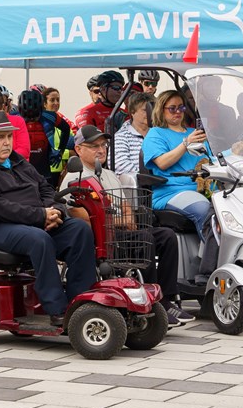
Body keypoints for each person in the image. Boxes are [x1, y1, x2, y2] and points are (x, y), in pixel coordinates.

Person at [0, 111, 96, 326]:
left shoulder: (16, 160)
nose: (7, 142)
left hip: (30, 221)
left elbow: (45, 187)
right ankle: (57, 308)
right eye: (0, 137)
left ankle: (81, 302)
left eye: (9, 136)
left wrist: (55, 210)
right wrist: (40, 216)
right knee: (38, 239)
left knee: (79, 230)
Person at [63, 124, 188, 323]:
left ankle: (167, 297)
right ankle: (151, 300)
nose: (101, 150)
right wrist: (121, 221)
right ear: (78, 149)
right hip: (100, 236)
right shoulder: (74, 178)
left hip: (118, 231)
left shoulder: (109, 174)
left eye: (103, 145)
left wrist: (125, 219)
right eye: (94, 146)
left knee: (167, 236)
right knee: (144, 238)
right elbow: (81, 215)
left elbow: (126, 206)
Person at [141, 90, 212, 234]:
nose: (178, 111)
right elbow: (162, 162)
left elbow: (211, 161)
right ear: (161, 110)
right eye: (172, 108)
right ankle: (212, 249)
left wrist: (236, 151)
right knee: (206, 211)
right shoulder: (155, 134)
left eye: (181, 107)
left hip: (203, 189)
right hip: (172, 191)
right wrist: (186, 144)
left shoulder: (194, 132)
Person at [112, 91, 155, 179]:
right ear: (132, 111)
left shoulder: (160, 133)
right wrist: (151, 178)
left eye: (152, 109)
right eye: (145, 110)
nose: (150, 113)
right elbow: (120, 166)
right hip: (138, 185)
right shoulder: (121, 137)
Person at [40, 87, 72, 185]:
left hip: (60, 171)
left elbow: (71, 141)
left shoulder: (62, 121)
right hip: (45, 171)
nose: (56, 103)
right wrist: (67, 153)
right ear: (44, 103)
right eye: (52, 100)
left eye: (58, 100)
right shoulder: (42, 122)